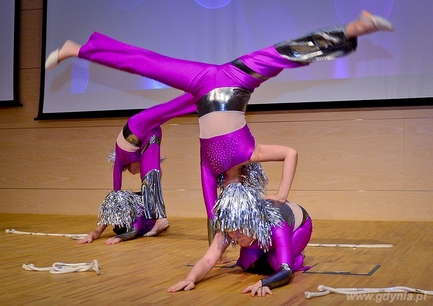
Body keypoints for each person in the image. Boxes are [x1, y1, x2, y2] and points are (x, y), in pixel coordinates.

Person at [46, 10, 393, 232]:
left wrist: (221, 241)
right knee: (285, 54)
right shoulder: (250, 153)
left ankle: (78, 50)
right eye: (233, 190)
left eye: (226, 193)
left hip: (201, 85)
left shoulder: (211, 167)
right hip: (236, 78)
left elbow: (211, 210)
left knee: (148, 64)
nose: (227, 189)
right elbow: (291, 153)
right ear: (243, 182)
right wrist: (282, 195)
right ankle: (353, 27)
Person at [167, 163, 312, 297]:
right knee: (247, 263)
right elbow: (208, 260)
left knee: (276, 263)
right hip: (262, 232)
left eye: (240, 230)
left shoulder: (278, 226)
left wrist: (265, 283)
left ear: (253, 221)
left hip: (299, 226)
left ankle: (297, 255)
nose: (235, 237)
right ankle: (268, 251)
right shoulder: (232, 223)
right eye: (231, 231)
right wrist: (190, 279)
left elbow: (285, 271)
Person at [78, 126, 170, 244]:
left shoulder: (137, 214)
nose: (115, 218)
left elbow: (133, 231)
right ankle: (160, 220)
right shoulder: (117, 208)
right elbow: (98, 230)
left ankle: (160, 220)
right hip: (140, 192)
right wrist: (92, 235)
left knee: (150, 184)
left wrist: (119, 238)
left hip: (145, 211)